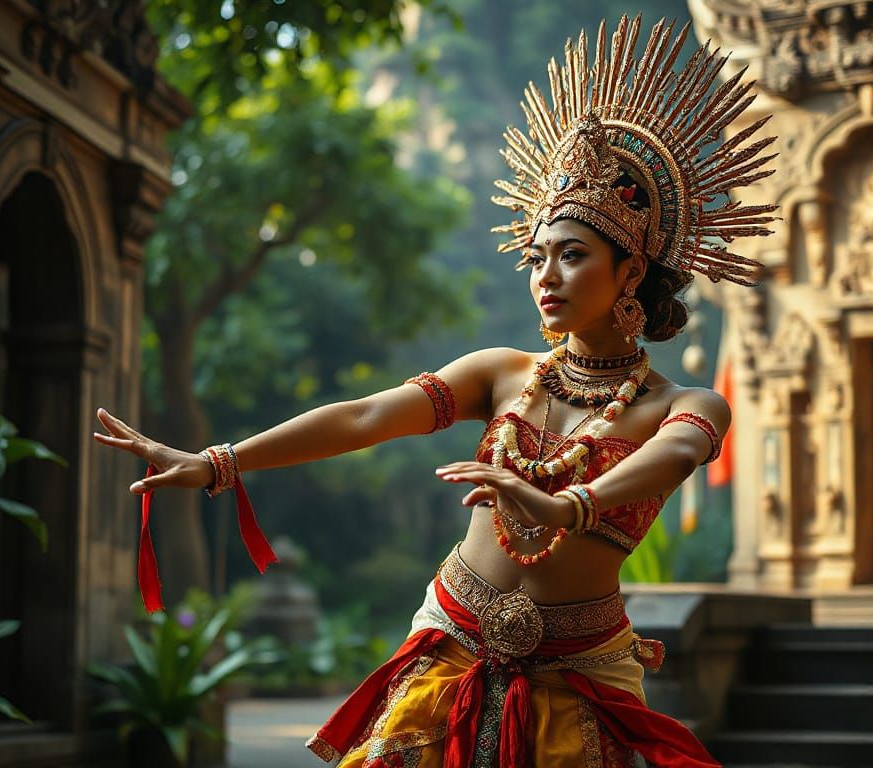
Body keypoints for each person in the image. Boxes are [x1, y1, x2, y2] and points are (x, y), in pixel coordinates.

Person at [94, 15, 776, 768]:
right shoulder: (503, 373)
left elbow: (677, 454)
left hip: (582, 670)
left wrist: (566, 505)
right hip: (449, 642)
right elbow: (364, 415)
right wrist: (220, 460)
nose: (545, 277)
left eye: (572, 256)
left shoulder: (684, 405)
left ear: (630, 273)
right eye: (536, 256)